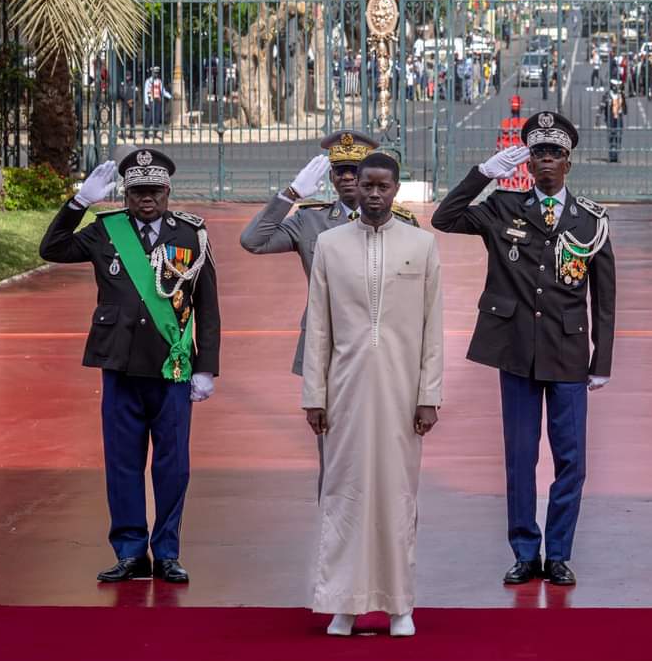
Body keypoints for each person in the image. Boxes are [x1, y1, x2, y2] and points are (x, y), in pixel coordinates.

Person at [431, 111, 616, 587]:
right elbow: (445, 218)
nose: (547, 161)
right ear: (528, 163)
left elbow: (606, 298)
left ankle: (558, 553)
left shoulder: (590, 219)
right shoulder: (503, 207)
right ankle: (523, 550)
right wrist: (482, 175)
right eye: (539, 153)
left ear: (568, 162)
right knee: (519, 456)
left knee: (572, 458)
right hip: (514, 350)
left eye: (555, 153)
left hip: (569, 353)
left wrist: (602, 361)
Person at [38, 149, 221, 584]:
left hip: (171, 366)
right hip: (118, 365)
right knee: (123, 463)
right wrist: (78, 203)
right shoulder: (106, 232)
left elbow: (208, 307)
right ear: (125, 193)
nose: (145, 200)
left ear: (167, 192)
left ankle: (168, 551)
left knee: (173, 466)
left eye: (154, 191)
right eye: (137, 191)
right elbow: (52, 248)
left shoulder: (191, 234)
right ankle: (130, 552)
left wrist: (206, 367)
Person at [303, 152, 443, 638]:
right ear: (354, 188)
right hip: (344, 393)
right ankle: (343, 602)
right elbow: (318, 327)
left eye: (384, 186)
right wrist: (313, 395)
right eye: (367, 185)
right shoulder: (328, 244)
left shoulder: (422, 246)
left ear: (397, 188)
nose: (375, 193)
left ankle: (399, 605)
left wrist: (429, 395)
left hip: (404, 397)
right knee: (345, 495)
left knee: (397, 497)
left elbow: (433, 330)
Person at [239, 131, 417, 490]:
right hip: (330, 347)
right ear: (331, 178)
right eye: (340, 171)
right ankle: (335, 536)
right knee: (334, 456)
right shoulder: (311, 221)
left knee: (388, 454)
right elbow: (253, 241)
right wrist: (290, 194)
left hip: (386, 350)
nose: (348, 177)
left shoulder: (402, 222)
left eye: (355, 170)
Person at [143, 66, 172, 140]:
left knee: (157, 117)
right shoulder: (148, 81)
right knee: (149, 118)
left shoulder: (159, 81)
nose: (156, 74)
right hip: (150, 100)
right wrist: (146, 103)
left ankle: (155, 133)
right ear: (152, 73)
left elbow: (163, 91)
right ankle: (146, 133)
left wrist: (170, 96)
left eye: (157, 73)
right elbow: (145, 92)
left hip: (157, 101)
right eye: (155, 73)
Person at [602, 78, 625, 163]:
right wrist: (598, 117)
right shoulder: (607, 95)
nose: (617, 88)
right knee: (612, 136)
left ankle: (617, 155)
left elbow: (625, 109)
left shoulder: (621, 95)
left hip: (619, 118)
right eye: (616, 86)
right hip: (610, 118)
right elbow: (602, 106)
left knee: (619, 136)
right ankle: (612, 155)